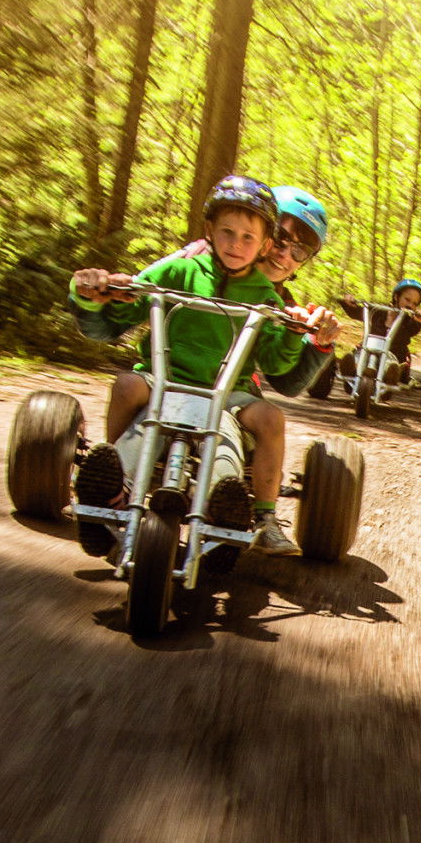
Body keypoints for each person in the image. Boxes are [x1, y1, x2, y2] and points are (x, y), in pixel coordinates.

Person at [66, 174, 318, 557]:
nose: (236, 244)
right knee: (127, 385)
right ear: (209, 230)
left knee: (270, 418)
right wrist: (98, 292)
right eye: (227, 232)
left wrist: (294, 335)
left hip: (227, 394)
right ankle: (112, 479)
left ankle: (248, 514)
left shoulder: (268, 298)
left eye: (248, 237)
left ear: (262, 245)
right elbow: (124, 308)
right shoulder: (178, 271)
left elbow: (277, 363)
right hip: (163, 380)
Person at [175, 181, 341, 397]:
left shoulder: (282, 306)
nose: (284, 255)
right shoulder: (198, 258)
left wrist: (317, 342)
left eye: (300, 251)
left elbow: (287, 384)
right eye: (280, 239)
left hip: (226, 393)